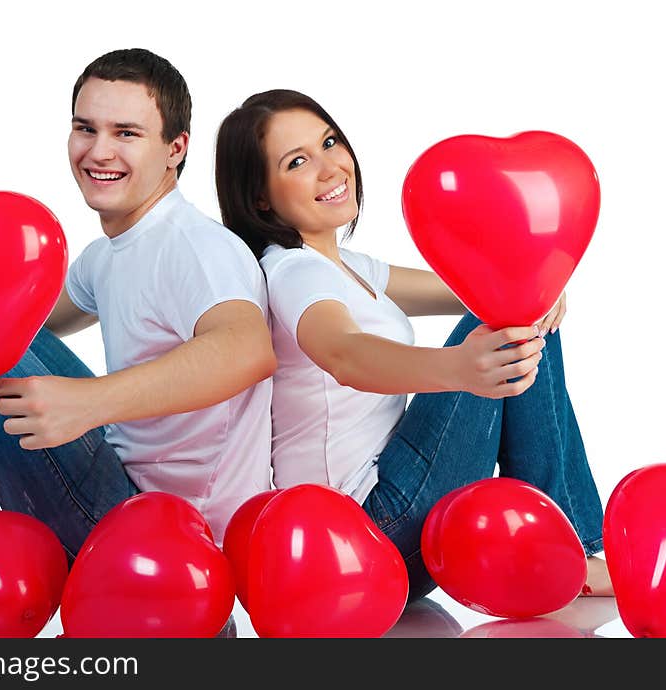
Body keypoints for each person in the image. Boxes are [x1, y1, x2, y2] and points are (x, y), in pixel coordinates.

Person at [0, 49, 275, 638]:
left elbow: (245, 349)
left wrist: (87, 403)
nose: (99, 151)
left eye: (126, 133)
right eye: (85, 128)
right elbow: (19, 322)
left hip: (164, 535)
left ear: (175, 149)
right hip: (126, 493)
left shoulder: (194, 246)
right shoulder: (113, 250)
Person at [214, 89, 612, 603]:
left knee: (517, 308)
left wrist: (544, 284)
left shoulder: (349, 267)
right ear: (261, 197)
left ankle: (555, 544)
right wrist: (460, 367)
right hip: (374, 526)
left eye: (330, 142)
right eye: (297, 162)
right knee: (508, 318)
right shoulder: (291, 271)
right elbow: (344, 352)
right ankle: (570, 552)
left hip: (403, 527)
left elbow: (474, 286)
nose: (330, 167)